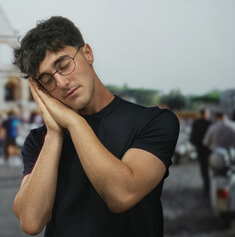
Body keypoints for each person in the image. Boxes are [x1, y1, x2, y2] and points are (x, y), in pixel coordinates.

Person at [12, 16, 180, 236]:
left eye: (64, 65)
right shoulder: (39, 140)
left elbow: (121, 194)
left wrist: (74, 122)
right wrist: (54, 133)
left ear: (88, 53)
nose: (61, 83)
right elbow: (31, 222)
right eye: (47, 80)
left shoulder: (154, 122)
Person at [190, 109, 212, 194]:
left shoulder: (197, 122)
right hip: (209, 149)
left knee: (204, 169)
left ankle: (207, 188)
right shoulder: (210, 123)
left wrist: (195, 143)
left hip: (201, 149)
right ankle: (210, 187)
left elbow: (193, 136)